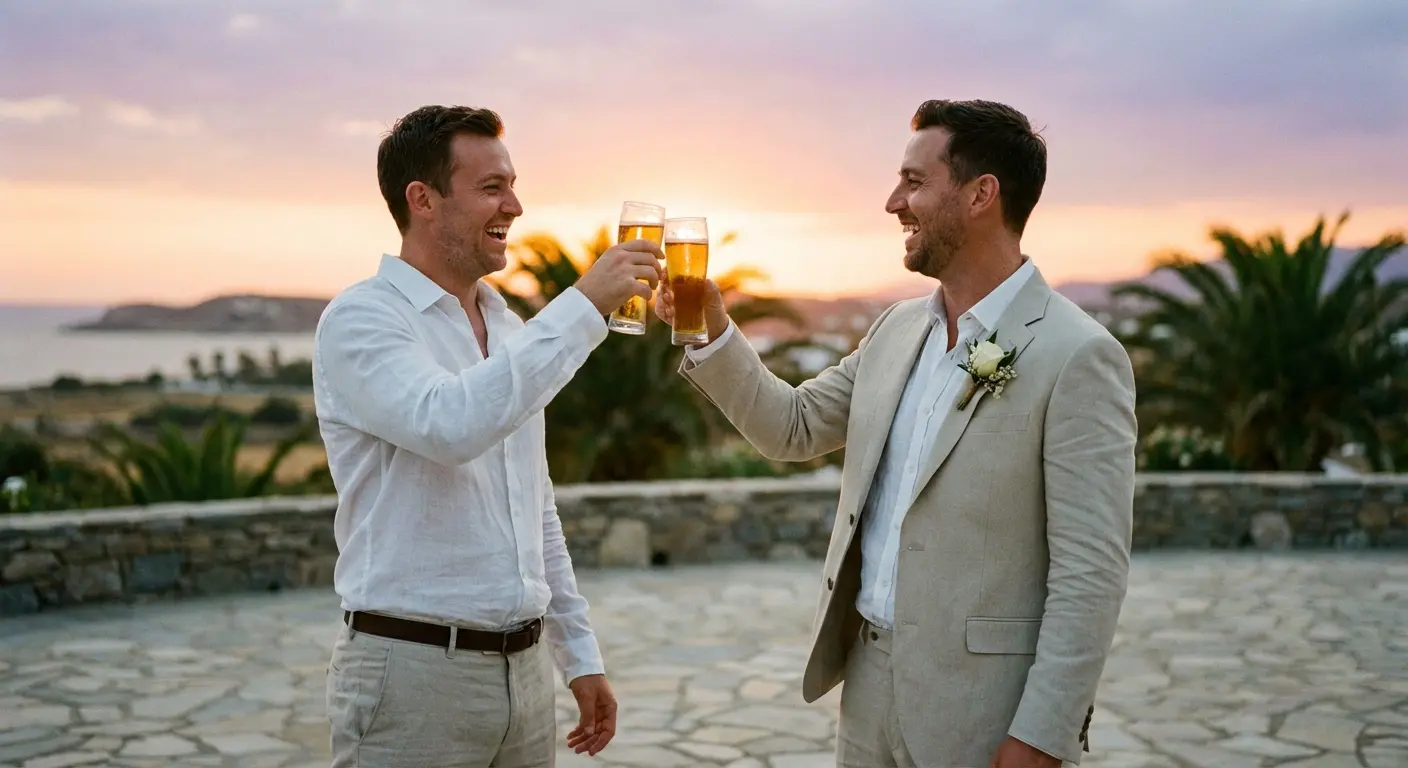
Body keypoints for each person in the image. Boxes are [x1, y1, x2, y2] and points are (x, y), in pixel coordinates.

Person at [656, 99, 1136, 767]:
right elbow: (789, 428)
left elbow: (1091, 573)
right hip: (867, 688)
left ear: (980, 195)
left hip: (984, 709)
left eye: (913, 181)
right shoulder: (894, 332)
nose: (892, 202)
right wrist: (709, 328)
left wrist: (1043, 735)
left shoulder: (1078, 355)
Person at [313, 104, 663, 767]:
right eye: (492, 187)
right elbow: (449, 425)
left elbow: (536, 511)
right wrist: (586, 304)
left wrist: (578, 655)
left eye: (513, 183)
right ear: (423, 199)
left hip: (525, 681)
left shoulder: (507, 329)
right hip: (411, 678)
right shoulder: (361, 319)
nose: (517, 204)